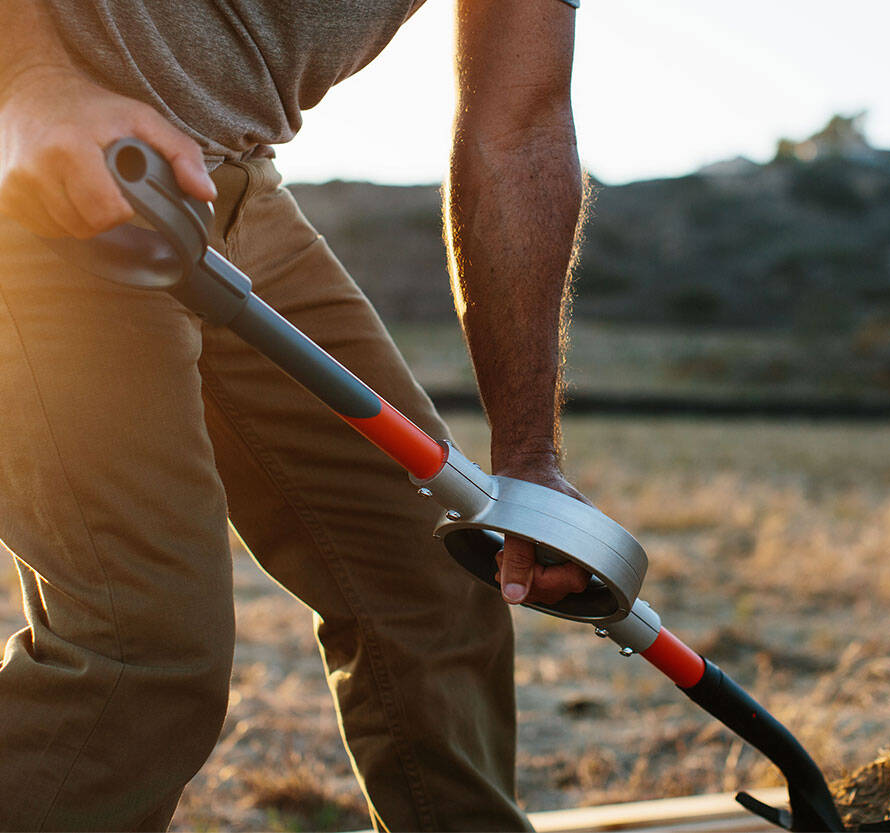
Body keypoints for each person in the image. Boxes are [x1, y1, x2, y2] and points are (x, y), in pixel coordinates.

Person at [0, 0, 593, 830]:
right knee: (138, 652)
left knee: (427, 573)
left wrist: (527, 456)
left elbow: (520, 126)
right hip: (51, 168)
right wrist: (27, 80)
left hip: (233, 188)